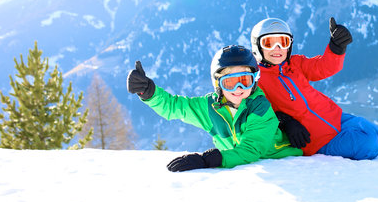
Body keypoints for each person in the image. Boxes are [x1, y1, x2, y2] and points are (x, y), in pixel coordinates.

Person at [250, 17, 378, 160]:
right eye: (269, 42)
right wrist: (285, 122)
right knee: (371, 143)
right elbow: (255, 111)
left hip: (337, 117)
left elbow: (324, 67)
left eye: (282, 42)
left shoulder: (296, 63)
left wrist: (336, 47)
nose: (277, 48)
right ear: (257, 46)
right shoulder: (257, 80)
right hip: (318, 140)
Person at [127, 45, 302, 172]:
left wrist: (210, 160)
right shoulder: (211, 108)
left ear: (254, 81)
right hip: (246, 170)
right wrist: (148, 92)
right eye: (230, 82)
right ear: (218, 84)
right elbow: (175, 107)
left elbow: (250, 151)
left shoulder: (258, 106)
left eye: (245, 80)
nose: (238, 89)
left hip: (283, 163)